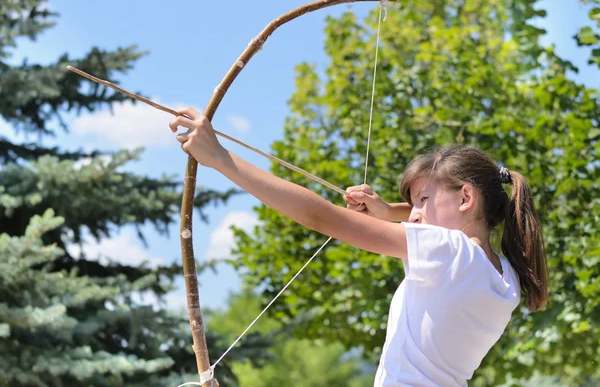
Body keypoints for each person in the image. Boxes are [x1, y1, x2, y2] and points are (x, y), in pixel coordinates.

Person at [169, 108, 549, 387]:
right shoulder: (506, 277)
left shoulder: (446, 250)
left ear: (467, 197)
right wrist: (389, 211)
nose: (413, 214)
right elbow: (442, 219)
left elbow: (321, 216)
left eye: (423, 200)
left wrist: (220, 158)